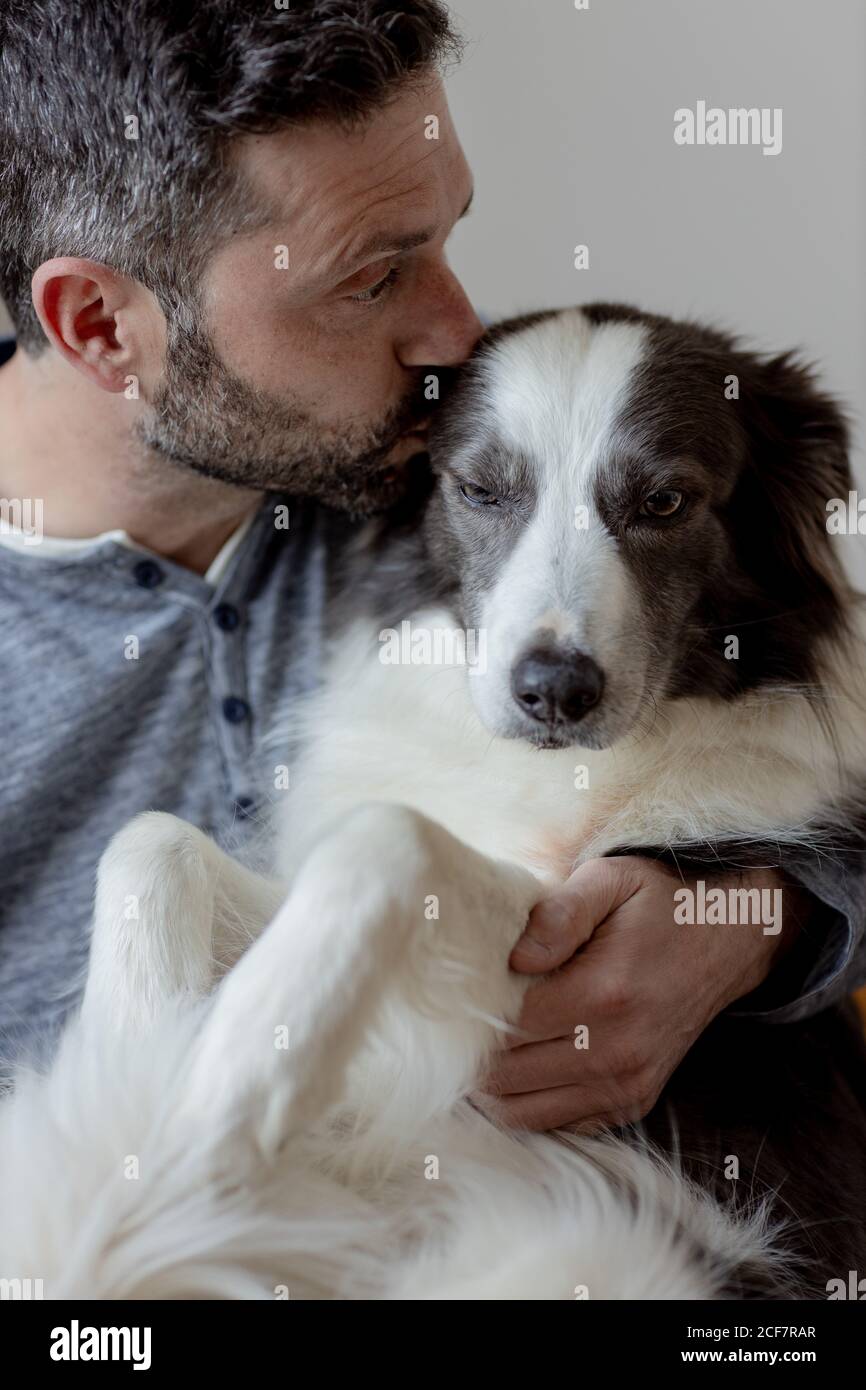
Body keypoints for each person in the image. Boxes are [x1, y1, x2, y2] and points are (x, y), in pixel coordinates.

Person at [0, 0, 863, 1127]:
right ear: (102, 325)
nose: (461, 331)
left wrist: (762, 921)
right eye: (370, 279)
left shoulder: (472, 435)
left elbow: (814, 689)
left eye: (447, 235)